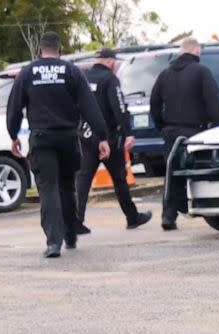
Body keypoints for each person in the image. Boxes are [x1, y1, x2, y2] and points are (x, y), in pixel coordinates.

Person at [7, 31, 110, 258]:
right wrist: (102, 137)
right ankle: (70, 235)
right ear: (60, 50)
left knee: (48, 189)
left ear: (40, 50)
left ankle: (54, 243)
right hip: (67, 138)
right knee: (66, 186)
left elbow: (14, 107)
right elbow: (89, 106)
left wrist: (13, 134)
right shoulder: (72, 72)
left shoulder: (27, 73)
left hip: (42, 139)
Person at [149, 37, 219, 231]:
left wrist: (162, 127)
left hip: (170, 131)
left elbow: (154, 103)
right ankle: (204, 206)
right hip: (194, 131)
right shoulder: (201, 72)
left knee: (171, 173)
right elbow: (214, 103)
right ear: (197, 52)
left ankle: (168, 216)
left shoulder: (165, 74)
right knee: (197, 171)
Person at [76, 49, 152, 233]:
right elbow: (118, 107)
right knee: (119, 179)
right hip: (108, 137)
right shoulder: (110, 79)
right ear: (110, 62)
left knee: (83, 179)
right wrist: (128, 132)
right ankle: (132, 217)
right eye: (114, 62)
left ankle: (76, 221)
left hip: (86, 136)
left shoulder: (82, 78)